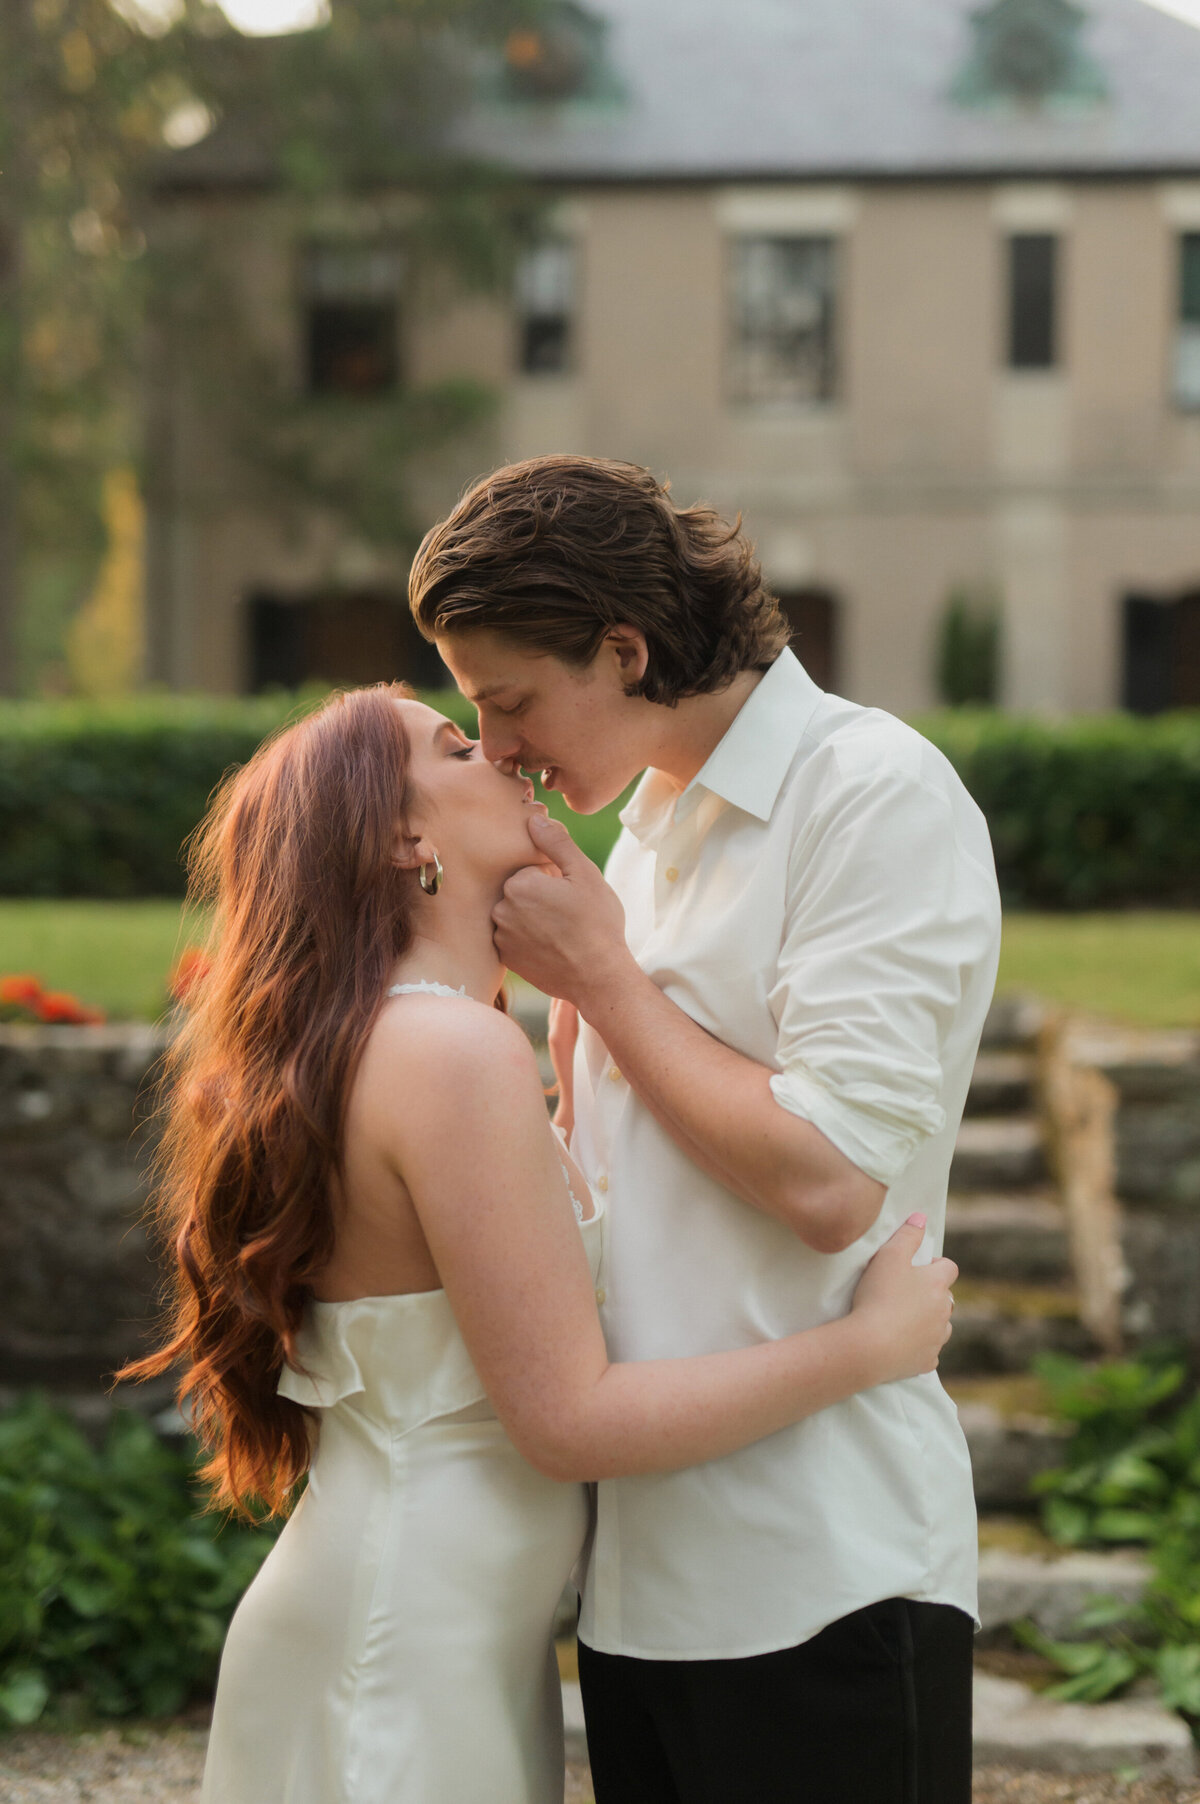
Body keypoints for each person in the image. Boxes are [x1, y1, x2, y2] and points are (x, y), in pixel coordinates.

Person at [123, 681, 956, 1804]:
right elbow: (568, 1417)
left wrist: (586, 1041)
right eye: (459, 743)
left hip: (441, 1630)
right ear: (401, 837)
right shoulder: (450, 1054)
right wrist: (865, 1349)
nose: (506, 753)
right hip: (405, 1648)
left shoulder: (408, 1039)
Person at [409, 454, 1003, 1804]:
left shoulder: (872, 795)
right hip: (643, 1586)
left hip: (825, 1573)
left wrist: (604, 985)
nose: (497, 748)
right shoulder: (648, 834)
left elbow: (832, 1178)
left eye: (509, 701)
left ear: (624, 649)